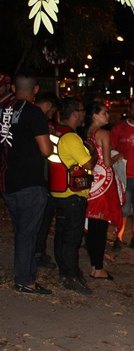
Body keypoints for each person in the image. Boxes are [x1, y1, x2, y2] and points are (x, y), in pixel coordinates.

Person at [0, 70, 53, 294]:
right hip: (30, 182)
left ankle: (25, 275)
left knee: (22, 231)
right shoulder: (34, 113)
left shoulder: (2, 111)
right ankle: (25, 280)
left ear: (13, 88)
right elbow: (45, 150)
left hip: (8, 182)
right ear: (36, 90)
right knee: (27, 233)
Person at [49, 98, 97, 294]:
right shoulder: (71, 138)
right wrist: (93, 152)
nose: (83, 115)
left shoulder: (57, 132)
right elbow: (88, 165)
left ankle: (65, 271)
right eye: (82, 111)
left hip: (58, 193)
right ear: (76, 113)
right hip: (72, 196)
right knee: (72, 238)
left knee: (61, 235)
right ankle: (71, 276)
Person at [84, 101, 124, 280]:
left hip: (92, 181)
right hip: (104, 184)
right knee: (100, 225)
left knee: (92, 225)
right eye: (104, 113)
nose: (108, 116)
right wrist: (117, 158)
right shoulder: (104, 133)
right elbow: (107, 162)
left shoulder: (87, 133)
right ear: (95, 115)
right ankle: (98, 268)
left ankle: (95, 264)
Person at [110, 97, 134, 250]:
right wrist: (115, 157)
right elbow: (111, 149)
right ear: (129, 110)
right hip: (123, 177)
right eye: (133, 109)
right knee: (123, 210)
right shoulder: (119, 128)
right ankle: (118, 238)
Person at [34, 91, 60, 269]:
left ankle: (36, 253)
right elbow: (46, 151)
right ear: (49, 106)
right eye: (53, 111)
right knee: (41, 220)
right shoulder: (37, 118)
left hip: (26, 178)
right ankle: (37, 254)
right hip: (38, 179)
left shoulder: (20, 114)